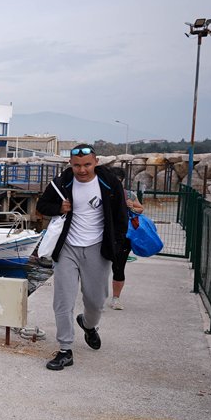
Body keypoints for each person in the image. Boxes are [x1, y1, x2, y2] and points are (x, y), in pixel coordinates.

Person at [36, 145, 129, 371]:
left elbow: (120, 217)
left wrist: (115, 245)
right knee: (63, 301)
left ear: (96, 161)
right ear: (70, 164)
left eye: (87, 164)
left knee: (96, 301)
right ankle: (65, 349)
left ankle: (88, 325)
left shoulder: (109, 183)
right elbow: (41, 206)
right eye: (77, 165)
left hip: (97, 249)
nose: (82, 170)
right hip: (67, 248)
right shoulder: (61, 183)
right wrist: (59, 207)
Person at [108, 167, 145, 310]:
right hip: (104, 234)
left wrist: (132, 207)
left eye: (118, 182)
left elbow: (141, 209)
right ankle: (96, 295)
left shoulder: (129, 195)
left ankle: (116, 298)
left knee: (119, 267)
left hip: (124, 236)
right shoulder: (101, 193)